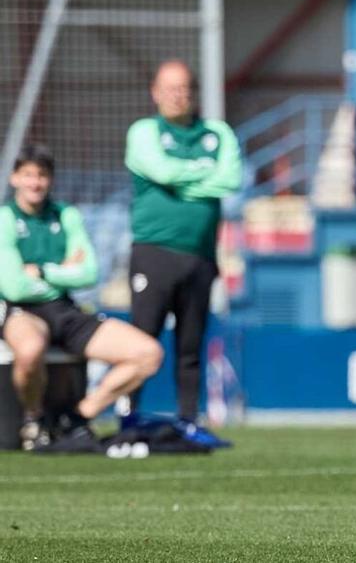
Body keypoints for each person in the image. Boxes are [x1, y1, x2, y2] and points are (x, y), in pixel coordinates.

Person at [0, 145, 163, 452]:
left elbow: (89, 273)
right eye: (28, 175)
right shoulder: (5, 219)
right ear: (15, 178)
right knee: (31, 347)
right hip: (21, 311)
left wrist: (44, 272)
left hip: (64, 308)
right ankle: (34, 418)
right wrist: (64, 270)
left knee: (147, 354)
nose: (35, 183)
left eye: (42, 175)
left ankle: (79, 416)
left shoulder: (67, 215)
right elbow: (14, 287)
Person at [124, 60, 242, 444]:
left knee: (191, 344)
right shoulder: (143, 131)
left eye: (184, 88)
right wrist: (200, 175)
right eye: (169, 88)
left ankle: (189, 420)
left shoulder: (217, 133)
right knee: (142, 340)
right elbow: (160, 172)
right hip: (154, 252)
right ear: (155, 93)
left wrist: (182, 180)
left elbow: (230, 179)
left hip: (201, 255)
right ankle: (129, 417)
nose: (178, 95)